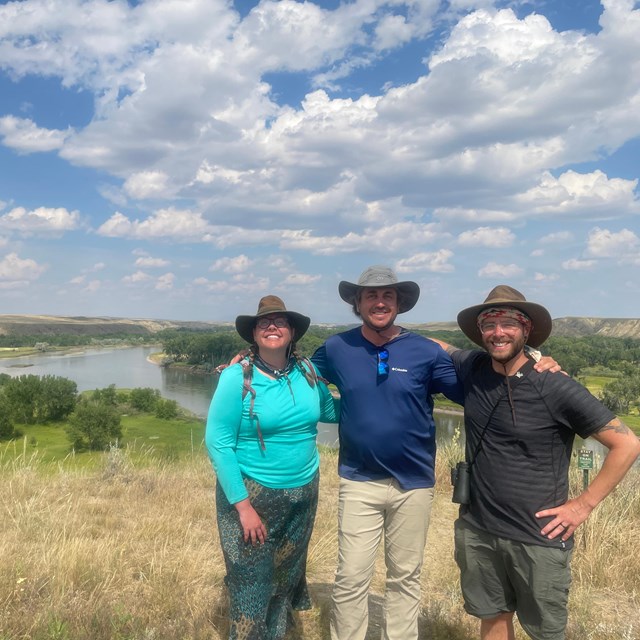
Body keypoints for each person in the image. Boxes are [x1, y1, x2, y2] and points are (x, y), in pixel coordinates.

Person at [432, 285, 640, 640]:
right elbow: (438, 346)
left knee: (545, 633)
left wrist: (581, 506)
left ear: (526, 329)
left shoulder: (554, 385)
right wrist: (387, 330)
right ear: (480, 331)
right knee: (493, 618)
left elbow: (626, 444)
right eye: (489, 323)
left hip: (538, 538)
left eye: (508, 323)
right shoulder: (474, 367)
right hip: (479, 528)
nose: (498, 332)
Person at [310, 265, 466, 640]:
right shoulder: (336, 347)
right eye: (371, 296)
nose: (379, 302)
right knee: (350, 578)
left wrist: (532, 361)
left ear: (399, 303)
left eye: (388, 296)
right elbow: (295, 375)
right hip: (358, 479)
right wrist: (247, 360)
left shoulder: (426, 352)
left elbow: (471, 390)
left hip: (412, 484)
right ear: (358, 304)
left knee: (405, 577)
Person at [205, 295, 336, 640]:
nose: (273, 326)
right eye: (264, 322)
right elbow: (218, 443)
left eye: (280, 321)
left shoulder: (308, 371)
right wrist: (243, 507)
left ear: (292, 331)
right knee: (250, 587)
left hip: (303, 495)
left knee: (283, 584)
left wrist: (377, 397)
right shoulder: (237, 378)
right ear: (254, 333)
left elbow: (330, 413)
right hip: (252, 496)